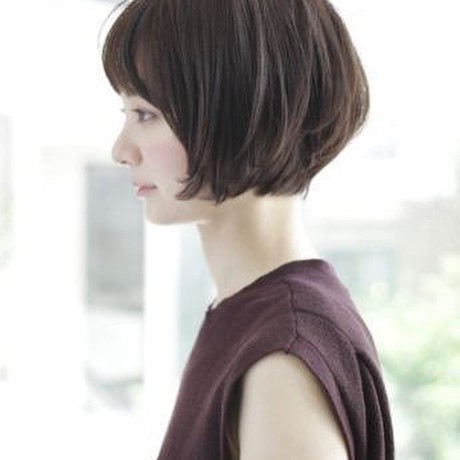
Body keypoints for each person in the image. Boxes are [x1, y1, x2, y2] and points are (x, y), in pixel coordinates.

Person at [102, 0, 394, 459]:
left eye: (145, 114)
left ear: (239, 113)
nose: (121, 150)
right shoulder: (254, 317)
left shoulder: (282, 357)